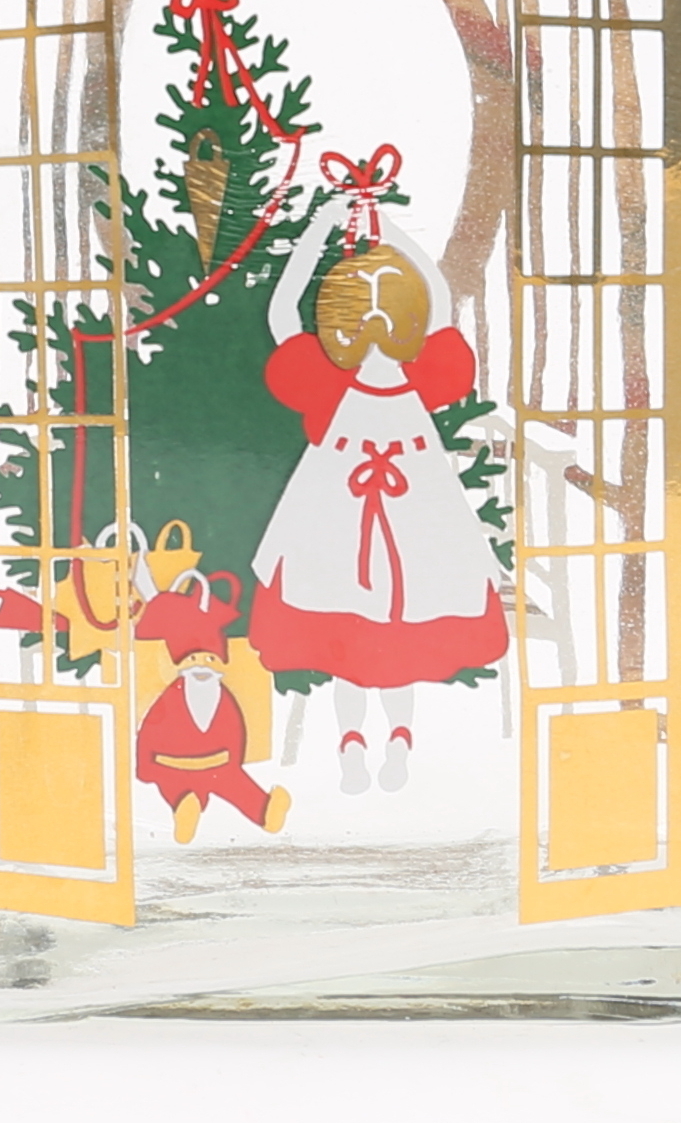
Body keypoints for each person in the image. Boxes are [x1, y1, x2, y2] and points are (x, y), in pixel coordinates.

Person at [248, 157, 508, 794]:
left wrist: (343, 224)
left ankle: (371, 744)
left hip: (354, 523)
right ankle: (378, 743)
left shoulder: (352, 387)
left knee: (366, 642)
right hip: (385, 526)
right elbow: (437, 298)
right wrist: (369, 225)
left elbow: (287, 313)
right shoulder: (388, 383)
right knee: (385, 641)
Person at [132, 579, 289, 842]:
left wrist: (233, 760)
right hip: (172, 763)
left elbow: (234, 730)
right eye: (194, 660)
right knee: (176, 786)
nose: (202, 667)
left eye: (210, 660)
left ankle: (265, 812)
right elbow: (152, 729)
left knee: (236, 785)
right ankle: (186, 809)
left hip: (218, 763)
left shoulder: (222, 698)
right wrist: (147, 766)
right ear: (183, 666)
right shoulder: (172, 698)